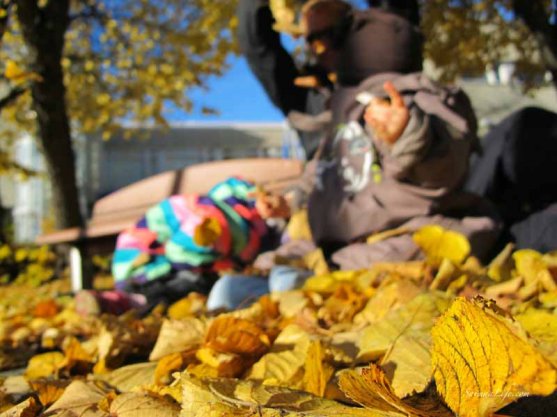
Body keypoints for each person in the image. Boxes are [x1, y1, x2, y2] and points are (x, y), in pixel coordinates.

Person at [206, 0, 501, 310]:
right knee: (278, 260)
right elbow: (320, 174)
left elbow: (443, 168)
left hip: (395, 232)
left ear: (358, 33)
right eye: (310, 40)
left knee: (417, 248)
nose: (318, 49)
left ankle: (303, 285)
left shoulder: (411, 95)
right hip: (335, 240)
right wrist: (291, 202)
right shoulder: (333, 108)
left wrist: (409, 136)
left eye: (328, 36)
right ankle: (276, 285)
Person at [237, 0, 423, 158]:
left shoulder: (388, 76)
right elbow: (257, 46)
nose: (323, 47)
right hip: (328, 193)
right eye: (312, 39)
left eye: (333, 33)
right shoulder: (302, 94)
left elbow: (398, 19)